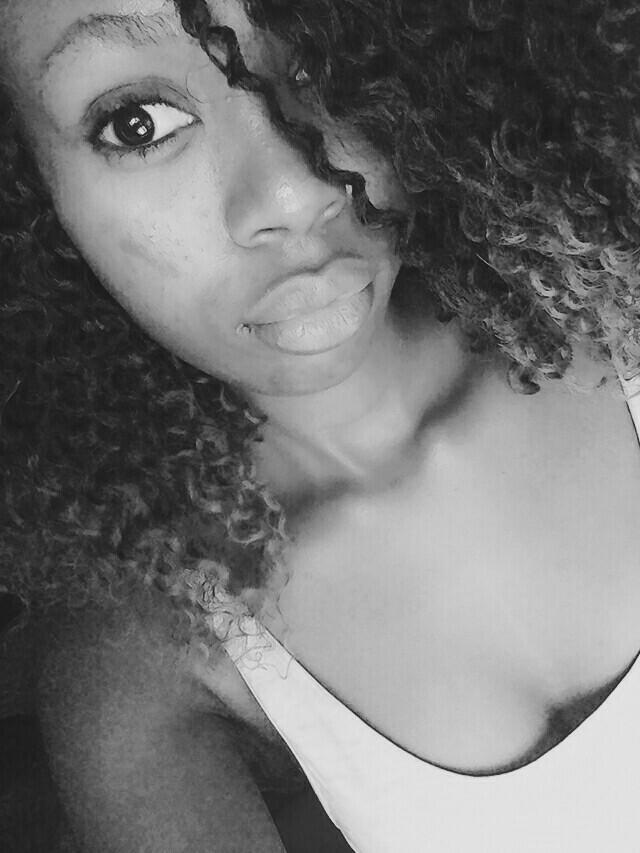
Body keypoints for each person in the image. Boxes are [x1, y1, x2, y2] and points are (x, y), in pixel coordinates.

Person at [1, 0, 639, 850]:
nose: (292, 191)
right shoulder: (149, 658)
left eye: (311, 58)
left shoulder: (621, 297)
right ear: (27, 199)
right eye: (137, 123)